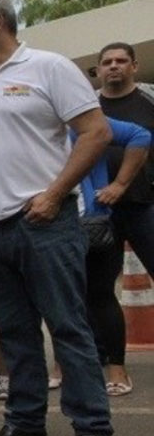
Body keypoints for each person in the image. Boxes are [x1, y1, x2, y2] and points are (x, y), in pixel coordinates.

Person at [0, 0, 113, 436]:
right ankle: (26, 422)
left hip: (45, 221)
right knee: (15, 333)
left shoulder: (48, 67)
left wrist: (56, 192)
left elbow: (96, 132)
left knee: (67, 326)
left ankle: (91, 429)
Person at [75, 114, 150, 398]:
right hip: (46, 223)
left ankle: (117, 368)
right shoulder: (28, 123)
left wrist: (119, 184)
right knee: (60, 298)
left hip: (94, 222)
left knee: (100, 295)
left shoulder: (81, 120)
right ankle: (62, 368)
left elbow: (139, 136)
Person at [95, 41, 154, 395]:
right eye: (107, 62)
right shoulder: (88, 108)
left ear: (134, 65)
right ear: (99, 70)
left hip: (145, 205)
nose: (113, 66)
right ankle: (116, 369)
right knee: (101, 291)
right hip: (102, 214)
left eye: (120, 61)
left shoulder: (148, 102)